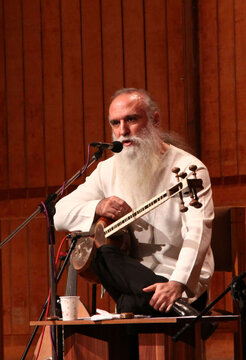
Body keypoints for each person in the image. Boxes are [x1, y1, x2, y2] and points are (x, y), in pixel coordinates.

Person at [54, 88, 214, 317]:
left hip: (176, 286)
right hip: (130, 282)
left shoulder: (190, 169)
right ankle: (179, 312)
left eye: (131, 119)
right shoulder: (107, 170)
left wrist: (177, 284)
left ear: (155, 120)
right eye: (115, 123)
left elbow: (198, 232)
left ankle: (179, 307)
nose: (123, 131)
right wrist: (97, 206)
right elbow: (59, 214)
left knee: (129, 304)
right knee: (97, 253)